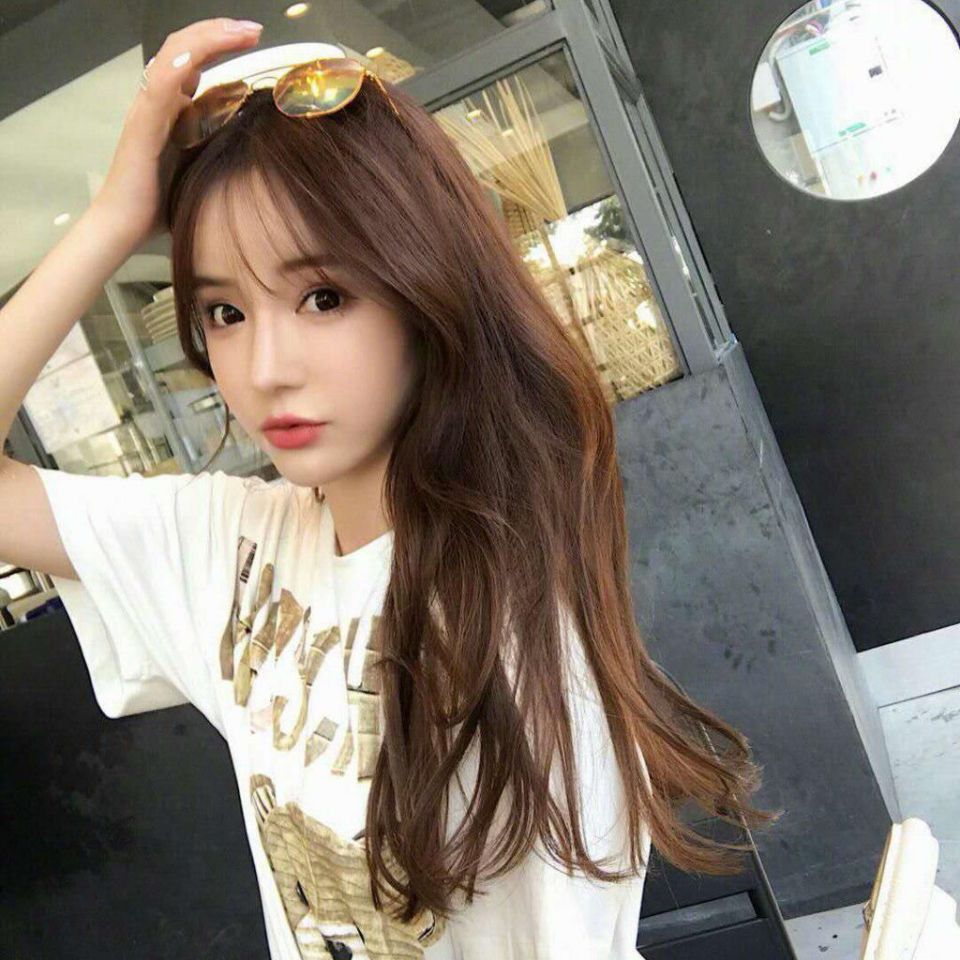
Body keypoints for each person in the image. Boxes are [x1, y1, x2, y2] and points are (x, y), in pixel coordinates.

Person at [0, 16, 781, 960]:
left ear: (427, 289)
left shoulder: (506, 623)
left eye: (324, 296)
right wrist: (113, 220)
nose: (265, 368)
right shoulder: (227, 545)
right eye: (225, 311)